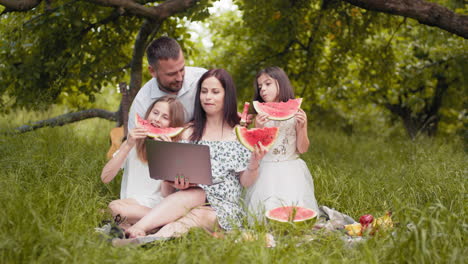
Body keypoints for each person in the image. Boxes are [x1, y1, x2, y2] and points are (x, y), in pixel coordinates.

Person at [124, 69, 267, 239]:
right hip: (186, 200)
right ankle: (142, 231)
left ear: (226, 96)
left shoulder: (239, 134)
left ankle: (152, 236)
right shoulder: (187, 131)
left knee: (199, 212)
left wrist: (254, 162)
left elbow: (245, 181)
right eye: (204, 91)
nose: (208, 97)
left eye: (215, 92)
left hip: (222, 208)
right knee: (195, 194)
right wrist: (174, 177)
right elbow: (166, 193)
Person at [118, 37, 207, 212]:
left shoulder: (202, 79)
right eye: (171, 74)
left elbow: (222, 113)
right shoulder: (142, 104)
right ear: (152, 71)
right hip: (164, 173)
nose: (180, 77)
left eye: (182, 69)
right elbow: (139, 152)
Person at [245, 66, 319, 222]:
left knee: (296, 212)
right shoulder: (261, 116)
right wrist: (258, 128)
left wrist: (302, 127)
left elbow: (303, 149)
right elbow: (256, 149)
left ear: (281, 84)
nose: (263, 90)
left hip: (292, 170)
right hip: (266, 170)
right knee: (265, 213)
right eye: (260, 87)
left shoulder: (297, 114)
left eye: (268, 84)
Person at [101, 95, 187, 224]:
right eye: (155, 113)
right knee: (116, 210)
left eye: (165, 117)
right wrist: (128, 145)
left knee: (113, 208)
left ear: (173, 124)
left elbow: (166, 195)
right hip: (129, 205)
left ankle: (159, 221)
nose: (157, 120)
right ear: (148, 113)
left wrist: (166, 157)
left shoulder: (177, 151)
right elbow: (105, 178)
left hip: (157, 207)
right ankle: (142, 228)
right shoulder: (132, 143)